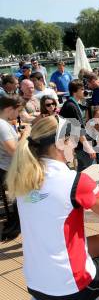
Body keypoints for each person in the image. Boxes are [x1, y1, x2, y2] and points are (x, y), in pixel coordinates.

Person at [5, 116, 99, 299]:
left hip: (36, 283)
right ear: (61, 143)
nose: (75, 144)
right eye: (72, 139)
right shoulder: (74, 181)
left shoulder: (24, 179)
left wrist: (97, 190)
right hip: (72, 286)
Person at [0, 95, 27, 240]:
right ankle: (19, 225)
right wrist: (25, 135)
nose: (19, 114)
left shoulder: (5, 123)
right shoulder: (2, 125)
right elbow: (15, 151)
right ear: (10, 109)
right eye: (18, 111)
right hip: (10, 169)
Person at [59, 79, 97, 171]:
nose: (84, 91)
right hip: (78, 145)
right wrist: (88, 147)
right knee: (91, 169)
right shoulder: (71, 106)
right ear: (75, 92)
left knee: (82, 170)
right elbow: (78, 129)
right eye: (82, 89)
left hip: (76, 144)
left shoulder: (72, 104)